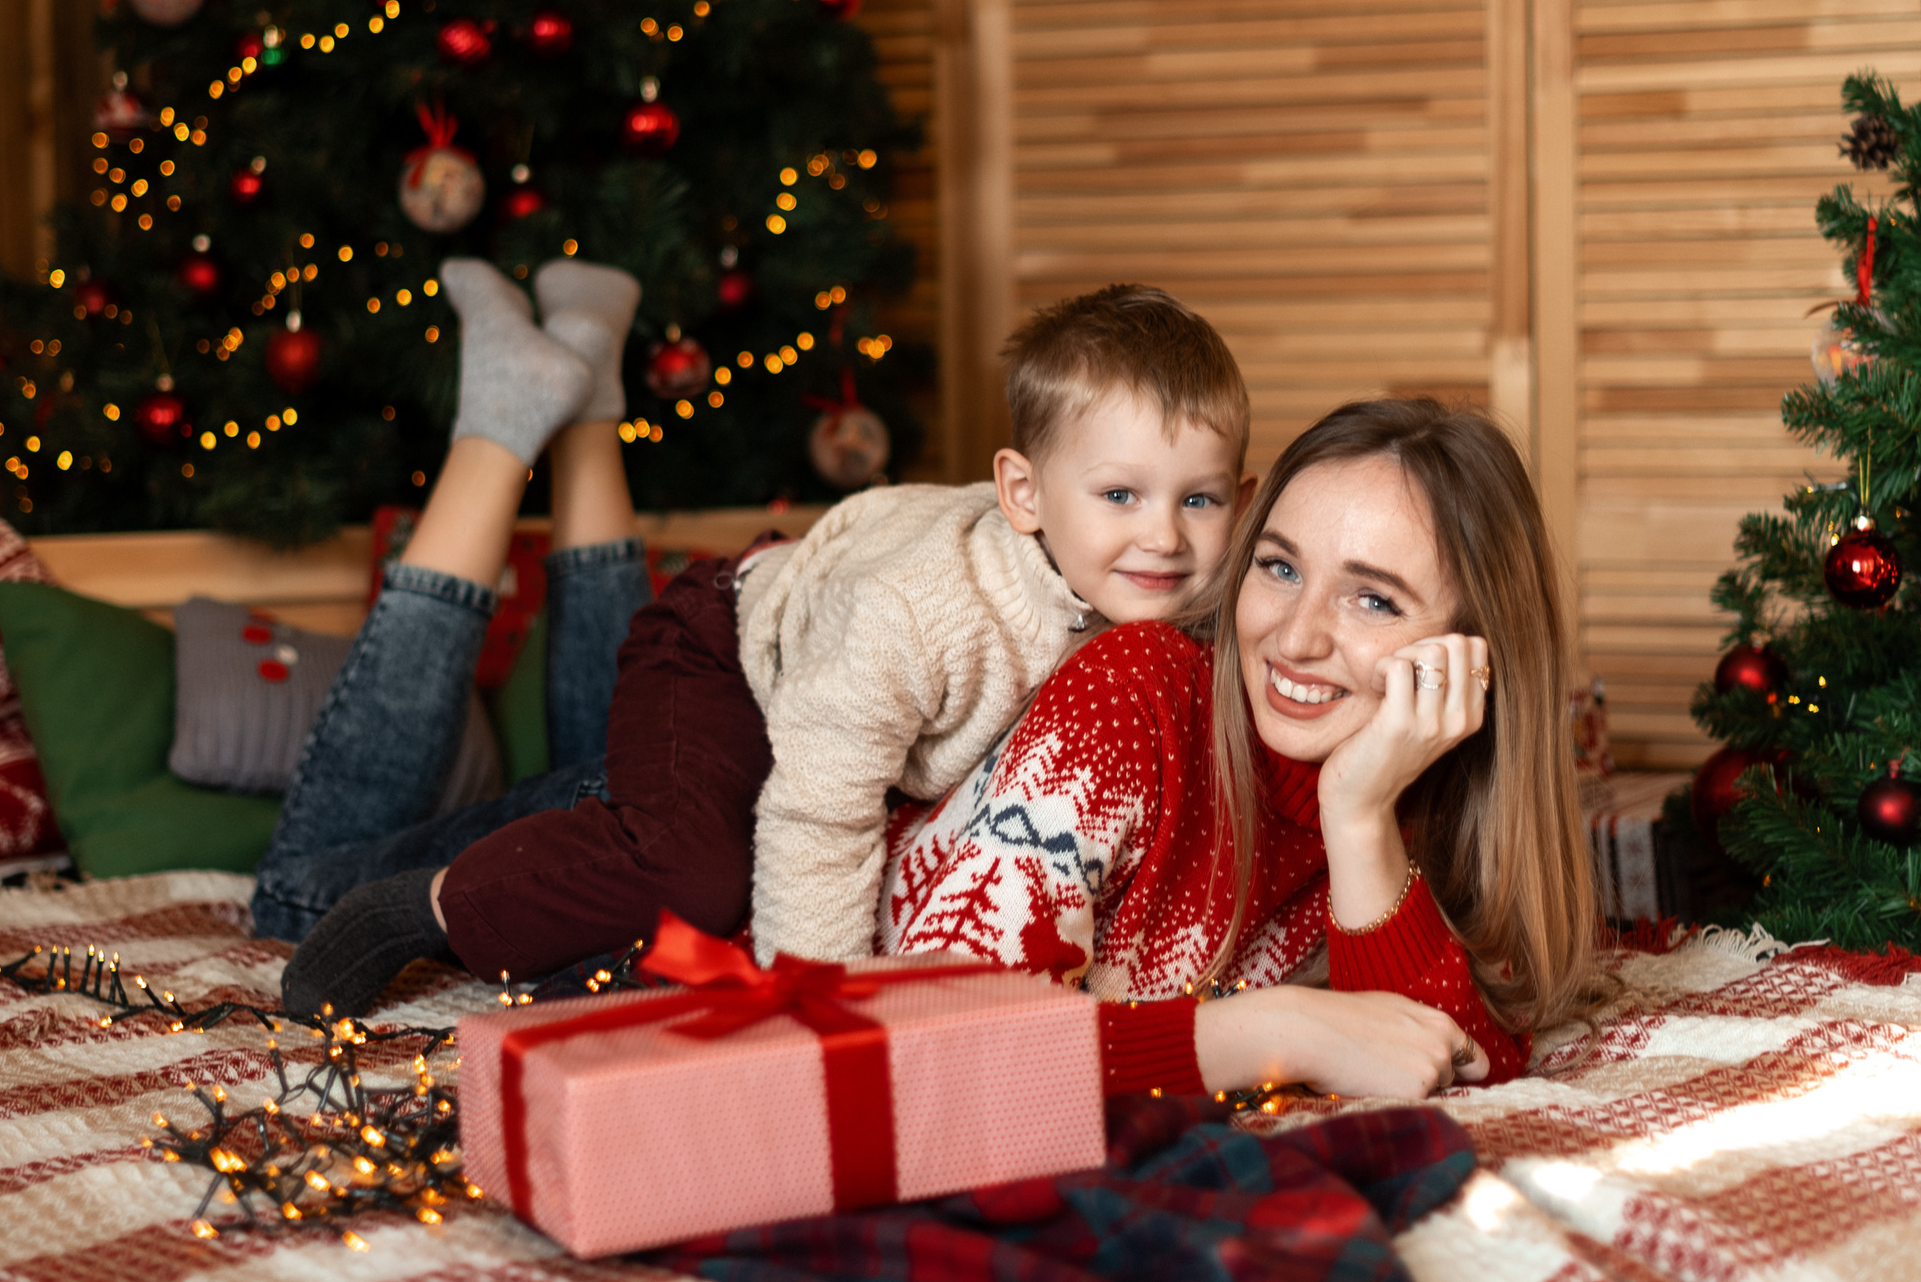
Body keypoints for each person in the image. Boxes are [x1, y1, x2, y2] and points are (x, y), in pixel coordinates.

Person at [261, 268, 1255, 1014]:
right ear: (1024, 494)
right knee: (692, 864)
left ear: (1240, 503)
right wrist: (815, 1006)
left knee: (629, 812)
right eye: (1120, 494)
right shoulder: (923, 615)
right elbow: (820, 812)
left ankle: (588, 396)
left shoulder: (1182, 595)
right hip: (722, 649)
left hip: (823, 619)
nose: (1164, 536)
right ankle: (417, 903)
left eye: (1199, 500)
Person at [883, 397, 1603, 1101]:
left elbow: (1456, 1063)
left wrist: (1357, 818)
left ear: (1471, 655)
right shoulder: (1131, 695)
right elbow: (930, 1059)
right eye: (1280, 567)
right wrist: (1275, 1032)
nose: (1294, 637)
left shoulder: (1421, 791)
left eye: (1373, 600)